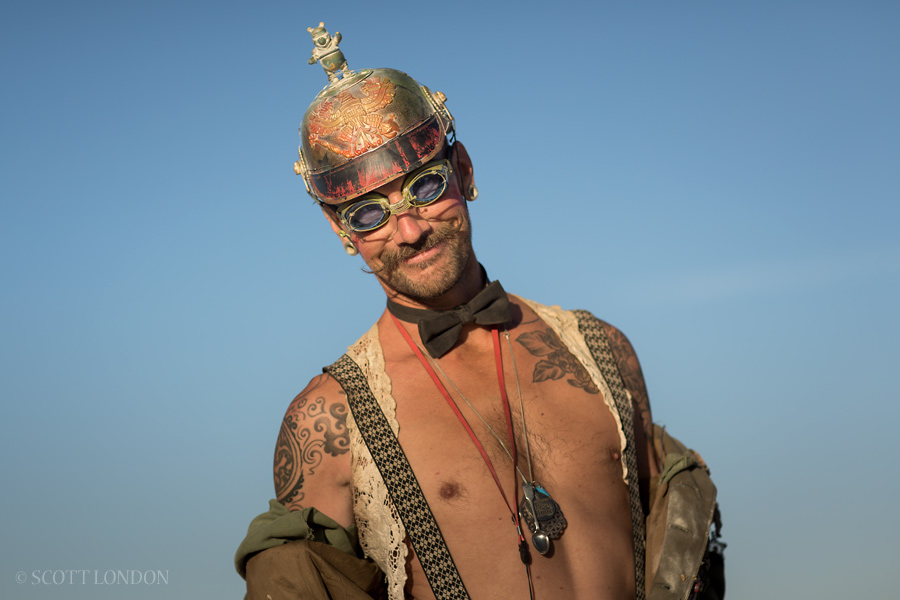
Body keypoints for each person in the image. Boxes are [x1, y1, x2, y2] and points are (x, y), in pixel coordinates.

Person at [235, 23, 723, 600]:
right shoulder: (328, 422)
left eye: (426, 184)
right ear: (339, 229)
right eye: (369, 214)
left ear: (463, 169)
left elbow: (677, 544)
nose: (410, 230)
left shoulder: (602, 350)